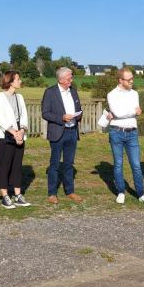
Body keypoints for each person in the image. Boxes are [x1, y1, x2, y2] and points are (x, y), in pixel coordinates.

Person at [106, 68, 144, 206]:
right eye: (129, 79)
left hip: (132, 132)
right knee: (118, 164)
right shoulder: (112, 94)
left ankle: (141, 194)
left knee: (136, 165)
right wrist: (132, 111)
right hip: (116, 132)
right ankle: (121, 192)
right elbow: (118, 113)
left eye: (132, 78)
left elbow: (134, 111)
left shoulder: (134, 93)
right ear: (120, 80)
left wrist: (128, 112)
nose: (132, 81)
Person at [41, 67, 83, 204]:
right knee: (54, 164)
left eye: (71, 77)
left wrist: (78, 115)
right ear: (61, 79)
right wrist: (61, 117)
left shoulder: (74, 91)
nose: (71, 80)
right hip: (58, 132)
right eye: (69, 78)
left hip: (72, 132)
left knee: (69, 163)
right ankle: (52, 193)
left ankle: (70, 191)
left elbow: (79, 109)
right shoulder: (50, 92)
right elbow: (45, 113)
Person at [0, 71, 31, 208]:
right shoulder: (0, 97)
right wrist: (13, 132)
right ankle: (5, 196)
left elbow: (24, 115)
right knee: (4, 166)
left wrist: (21, 131)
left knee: (17, 166)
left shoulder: (19, 97)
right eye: (18, 79)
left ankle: (18, 194)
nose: (20, 81)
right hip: (6, 138)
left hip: (19, 136)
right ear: (10, 81)